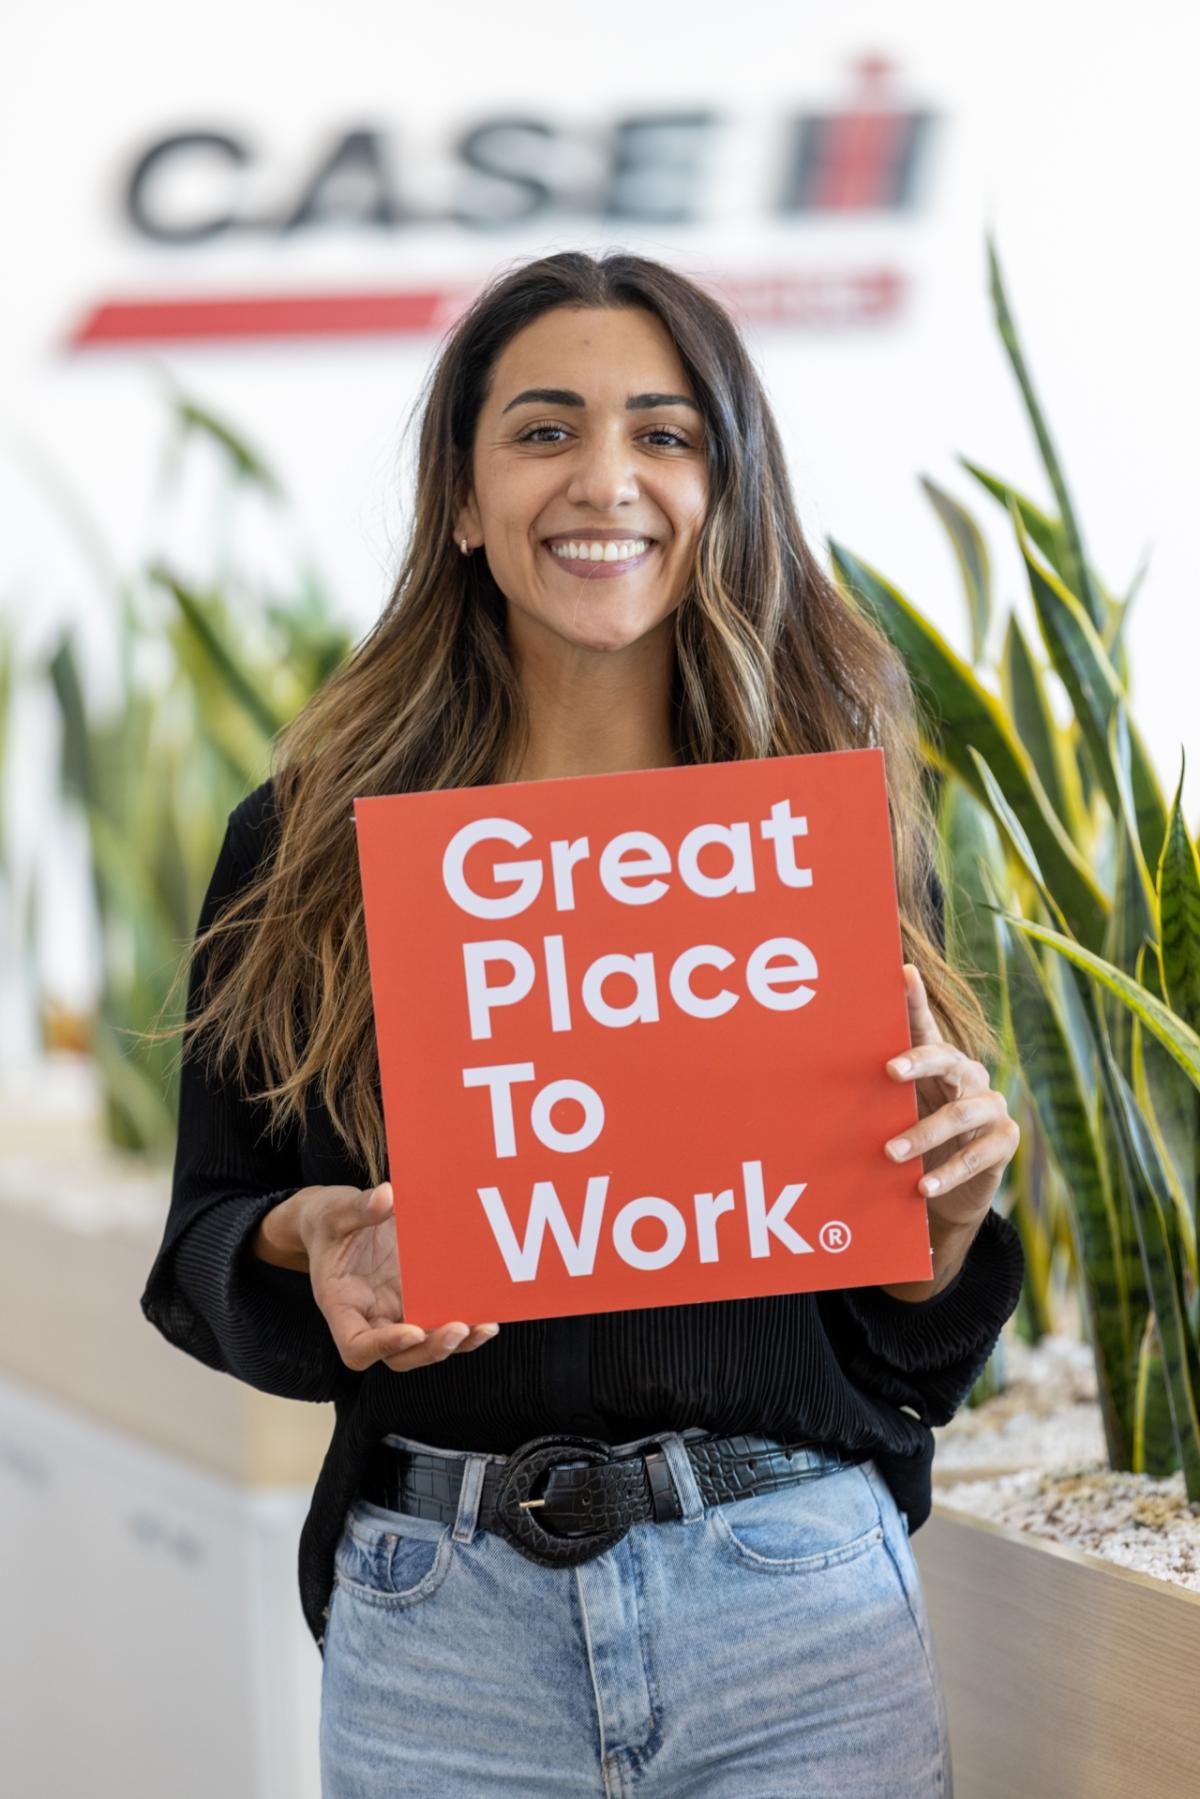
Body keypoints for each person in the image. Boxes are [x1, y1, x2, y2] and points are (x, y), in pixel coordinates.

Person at [140, 250, 1024, 1796]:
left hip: (794, 1609)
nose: (604, 477)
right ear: (465, 500)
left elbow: (903, 1335)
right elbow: (206, 1232)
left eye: (666, 433)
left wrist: (945, 1221)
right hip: (442, 1633)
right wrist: (313, 1241)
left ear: (726, 487)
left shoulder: (836, 835)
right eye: (544, 430)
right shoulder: (309, 841)